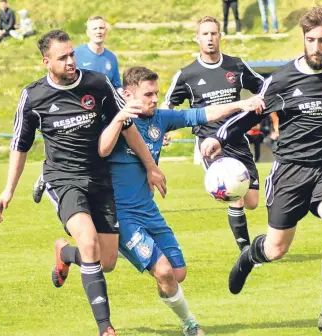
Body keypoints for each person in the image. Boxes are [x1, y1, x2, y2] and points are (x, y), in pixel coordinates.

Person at [200, 6, 322, 333]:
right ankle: (249, 256)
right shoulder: (282, 79)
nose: (315, 47)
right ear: (303, 39)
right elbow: (252, 113)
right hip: (290, 171)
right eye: (310, 40)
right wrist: (219, 136)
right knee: (276, 248)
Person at [0, 30, 166, 336]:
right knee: (88, 243)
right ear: (47, 62)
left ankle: (64, 254)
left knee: (107, 260)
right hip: (62, 181)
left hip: (99, 179)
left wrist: (151, 167)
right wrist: (9, 189)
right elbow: (19, 145)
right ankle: (106, 328)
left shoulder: (98, 84)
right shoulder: (33, 96)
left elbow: (127, 128)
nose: (71, 60)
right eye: (63, 57)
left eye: (72, 54)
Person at [105, 66, 264, 336]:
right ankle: (190, 324)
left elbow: (200, 114)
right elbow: (93, 148)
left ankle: (81, 253)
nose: (155, 99)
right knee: (165, 272)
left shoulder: (160, 119)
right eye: (148, 94)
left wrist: (241, 104)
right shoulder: (115, 123)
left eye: (156, 93)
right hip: (121, 213)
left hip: (148, 209)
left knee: (177, 274)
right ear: (127, 94)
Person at [163, 16, 264, 253]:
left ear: (220, 36)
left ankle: (247, 245)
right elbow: (168, 105)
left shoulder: (236, 66)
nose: (209, 38)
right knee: (233, 191)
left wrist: (260, 100)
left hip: (237, 139)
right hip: (209, 144)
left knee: (251, 202)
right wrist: (163, 131)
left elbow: (263, 86)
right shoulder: (187, 74)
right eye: (205, 34)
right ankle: (246, 252)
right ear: (197, 38)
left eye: (213, 33)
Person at [32, 15, 122, 203]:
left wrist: (125, 102)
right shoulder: (77, 53)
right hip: (82, 109)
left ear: (107, 30)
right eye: (95, 28)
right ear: (87, 32)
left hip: (103, 108)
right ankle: (50, 175)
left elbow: (116, 85)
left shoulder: (111, 58)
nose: (99, 31)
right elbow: (63, 80)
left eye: (102, 28)